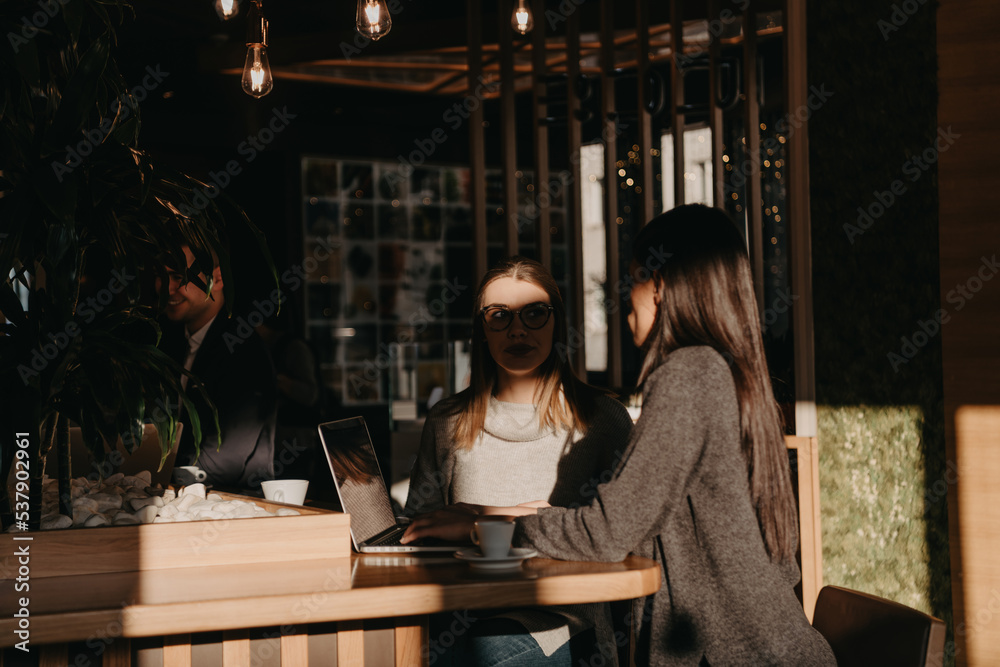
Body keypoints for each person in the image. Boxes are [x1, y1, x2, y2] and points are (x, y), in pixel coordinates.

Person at [404, 206, 836, 665]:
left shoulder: (688, 376)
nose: (626, 298)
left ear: (661, 286)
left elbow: (609, 531)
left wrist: (484, 526)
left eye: (633, 279)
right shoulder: (722, 372)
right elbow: (632, 521)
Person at [403, 256, 633, 666]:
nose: (518, 329)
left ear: (556, 323)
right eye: (499, 316)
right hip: (462, 612)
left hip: (562, 622)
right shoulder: (448, 422)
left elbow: (622, 537)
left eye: (534, 313)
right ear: (482, 331)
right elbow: (422, 532)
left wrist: (480, 521)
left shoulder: (601, 420)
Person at [157, 245, 277, 492]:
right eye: (162, 276)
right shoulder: (171, 344)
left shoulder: (242, 348)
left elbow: (223, 461)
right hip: (192, 502)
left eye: (180, 277)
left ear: (218, 279)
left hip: (234, 510)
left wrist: (155, 487)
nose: (167, 288)